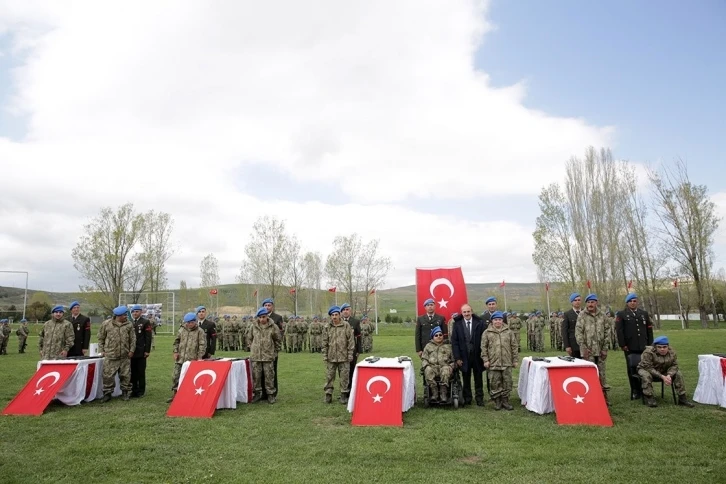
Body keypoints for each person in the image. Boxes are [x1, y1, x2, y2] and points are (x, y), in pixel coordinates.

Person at [637, 336, 694, 408]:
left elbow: (674, 365)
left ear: (668, 346)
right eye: (659, 347)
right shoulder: (648, 352)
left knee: (678, 373)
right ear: (655, 347)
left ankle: (682, 398)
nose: (662, 349)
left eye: (664, 347)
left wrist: (669, 375)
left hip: (663, 370)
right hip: (646, 369)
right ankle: (649, 397)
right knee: (646, 375)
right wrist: (662, 376)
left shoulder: (672, 352)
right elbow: (648, 367)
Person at [615, 293, 654, 399]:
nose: (633, 303)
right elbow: (619, 331)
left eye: (634, 301)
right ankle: (635, 390)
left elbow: (649, 329)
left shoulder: (643, 313)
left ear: (637, 302)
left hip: (643, 346)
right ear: (627, 303)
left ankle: (645, 388)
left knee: (645, 367)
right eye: (630, 301)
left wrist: (650, 344)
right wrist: (623, 344)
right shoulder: (621, 314)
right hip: (630, 346)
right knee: (632, 369)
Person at [575, 294, 611, 406]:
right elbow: (578, 332)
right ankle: (590, 397)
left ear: (596, 303)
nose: (590, 304)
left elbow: (607, 332)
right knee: (588, 373)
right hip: (588, 351)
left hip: (600, 350)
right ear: (586, 303)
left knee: (602, 373)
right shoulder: (582, 315)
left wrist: (605, 348)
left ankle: (604, 397)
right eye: (588, 302)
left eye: (593, 302)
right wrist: (583, 347)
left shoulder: (603, 316)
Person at [481, 311, 518, 410]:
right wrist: (485, 360)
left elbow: (514, 346)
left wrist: (515, 360)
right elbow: (483, 347)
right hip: (493, 362)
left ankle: (505, 401)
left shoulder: (509, 332)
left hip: (506, 362)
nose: (498, 322)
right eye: (495, 320)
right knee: (495, 382)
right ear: (492, 321)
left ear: (502, 320)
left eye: (499, 320)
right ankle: (497, 401)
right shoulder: (487, 332)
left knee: (507, 382)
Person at [97, 306, 136, 402]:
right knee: (108, 376)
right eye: (124, 315)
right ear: (118, 316)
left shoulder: (129, 325)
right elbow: (101, 338)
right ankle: (107, 394)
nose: (126, 316)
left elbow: (133, 339)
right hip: (110, 355)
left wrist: (131, 350)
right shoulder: (106, 324)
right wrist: (102, 350)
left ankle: (125, 393)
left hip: (124, 355)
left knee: (125, 375)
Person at [451, 304, 486, 406]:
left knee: (478, 378)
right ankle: (467, 398)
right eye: (464, 312)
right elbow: (455, 342)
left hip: (477, 356)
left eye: (468, 311)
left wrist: (484, 356)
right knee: (466, 378)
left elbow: (485, 340)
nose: (466, 314)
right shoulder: (457, 324)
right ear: (462, 313)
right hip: (463, 356)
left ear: (472, 311)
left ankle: (479, 399)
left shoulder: (480, 323)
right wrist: (457, 357)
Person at [167, 312, 207, 402]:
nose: (189, 324)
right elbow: (176, 341)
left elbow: (202, 345)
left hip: (192, 359)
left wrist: (199, 357)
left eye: (191, 322)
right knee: (175, 376)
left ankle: (189, 396)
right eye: (187, 322)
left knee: (190, 378)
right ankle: (175, 395)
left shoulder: (200, 331)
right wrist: (175, 352)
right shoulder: (182, 330)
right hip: (180, 358)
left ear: (195, 322)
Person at [248, 307, 282, 404]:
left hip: (268, 356)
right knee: (256, 376)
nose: (262, 319)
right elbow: (249, 338)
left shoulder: (273, 326)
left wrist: (275, 352)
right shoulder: (253, 326)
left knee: (269, 376)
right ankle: (257, 394)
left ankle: (270, 395)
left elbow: (278, 340)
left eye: (264, 317)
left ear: (267, 316)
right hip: (256, 357)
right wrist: (253, 348)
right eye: (260, 317)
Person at [322, 305, 355, 404]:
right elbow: (324, 342)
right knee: (329, 377)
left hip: (344, 356)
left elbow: (351, 341)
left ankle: (344, 395)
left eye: (336, 314)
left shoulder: (346, 325)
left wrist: (350, 354)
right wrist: (324, 355)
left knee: (344, 377)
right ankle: (328, 394)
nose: (334, 317)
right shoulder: (327, 327)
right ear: (330, 316)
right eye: (332, 315)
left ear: (339, 315)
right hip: (331, 357)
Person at [421, 326, 454, 403]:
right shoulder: (428, 346)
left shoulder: (448, 346)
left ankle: (443, 394)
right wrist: (426, 366)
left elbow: (453, 360)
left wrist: (451, 366)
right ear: (433, 337)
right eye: (436, 335)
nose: (438, 336)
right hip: (432, 367)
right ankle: (434, 393)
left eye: (440, 335)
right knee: (428, 370)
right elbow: (424, 359)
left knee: (445, 370)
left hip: (445, 367)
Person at [129, 304, 152, 398]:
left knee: (141, 371)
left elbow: (148, 337)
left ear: (141, 312)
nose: (135, 313)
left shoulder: (145, 322)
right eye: (133, 312)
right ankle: (133, 389)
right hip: (131, 351)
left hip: (141, 350)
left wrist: (147, 350)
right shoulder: (129, 322)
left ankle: (141, 390)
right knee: (132, 371)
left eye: (137, 311)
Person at [262, 298, 283, 393]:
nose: (267, 307)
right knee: (261, 372)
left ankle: (273, 392)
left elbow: (280, 334)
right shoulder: (259, 317)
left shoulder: (277, 318)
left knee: (272, 371)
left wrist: (276, 349)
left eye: (269, 305)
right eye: (265, 305)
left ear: (272, 307)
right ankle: (263, 392)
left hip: (272, 349)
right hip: (261, 350)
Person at [340, 303, 361, 394]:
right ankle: (343, 390)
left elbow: (358, 336)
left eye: (347, 309)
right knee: (342, 371)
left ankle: (351, 391)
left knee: (351, 369)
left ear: (350, 311)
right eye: (344, 310)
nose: (345, 311)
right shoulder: (338, 321)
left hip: (352, 350)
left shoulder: (355, 322)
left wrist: (359, 350)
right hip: (341, 350)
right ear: (341, 312)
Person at [562, 293, 583, 358]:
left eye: (579, 300)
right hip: (573, 344)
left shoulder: (586, 312)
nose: (577, 302)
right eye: (575, 300)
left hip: (586, 344)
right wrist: (567, 346)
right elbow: (564, 331)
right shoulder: (567, 314)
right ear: (572, 302)